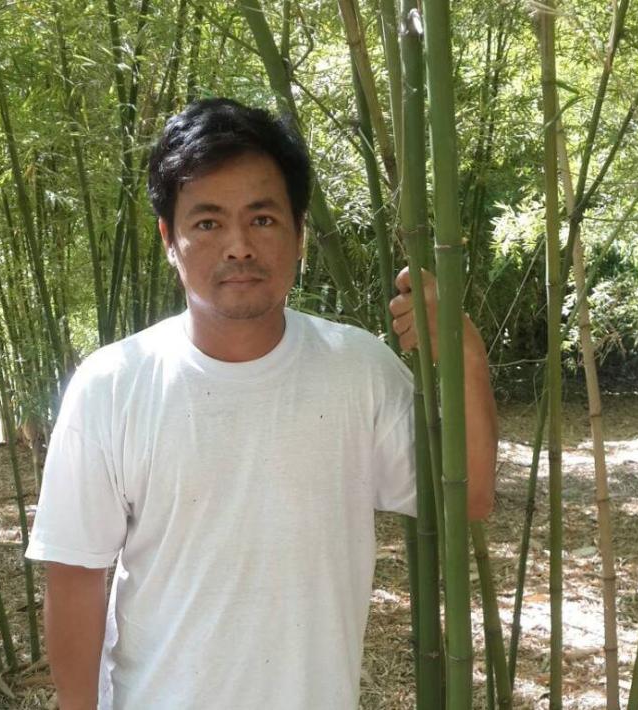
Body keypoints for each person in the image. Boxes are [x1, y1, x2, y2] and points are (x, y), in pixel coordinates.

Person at [26, 97, 498, 710]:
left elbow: (469, 494)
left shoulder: (358, 369)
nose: (239, 246)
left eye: (263, 219)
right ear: (169, 238)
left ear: (299, 233)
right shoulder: (112, 384)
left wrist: (465, 355)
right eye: (207, 223)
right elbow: (75, 578)